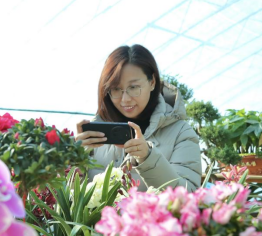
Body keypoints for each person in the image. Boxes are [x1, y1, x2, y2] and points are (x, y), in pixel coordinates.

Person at [75, 44, 202, 192]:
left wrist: (147, 158)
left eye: (134, 87)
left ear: (152, 82)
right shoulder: (96, 135)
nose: (125, 99)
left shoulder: (181, 132)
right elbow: (70, 201)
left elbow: (188, 196)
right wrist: (76, 158)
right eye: (115, 89)